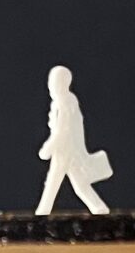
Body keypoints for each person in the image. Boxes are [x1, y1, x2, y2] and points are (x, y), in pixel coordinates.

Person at [36, 66, 112, 215]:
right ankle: (98, 208)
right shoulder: (62, 101)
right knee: (76, 183)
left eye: (54, 82)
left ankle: (43, 211)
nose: (51, 86)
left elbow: (62, 130)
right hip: (67, 150)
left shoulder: (65, 102)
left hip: (67, 150)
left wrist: (48, 148)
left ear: (62, 84)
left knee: (55, 181)